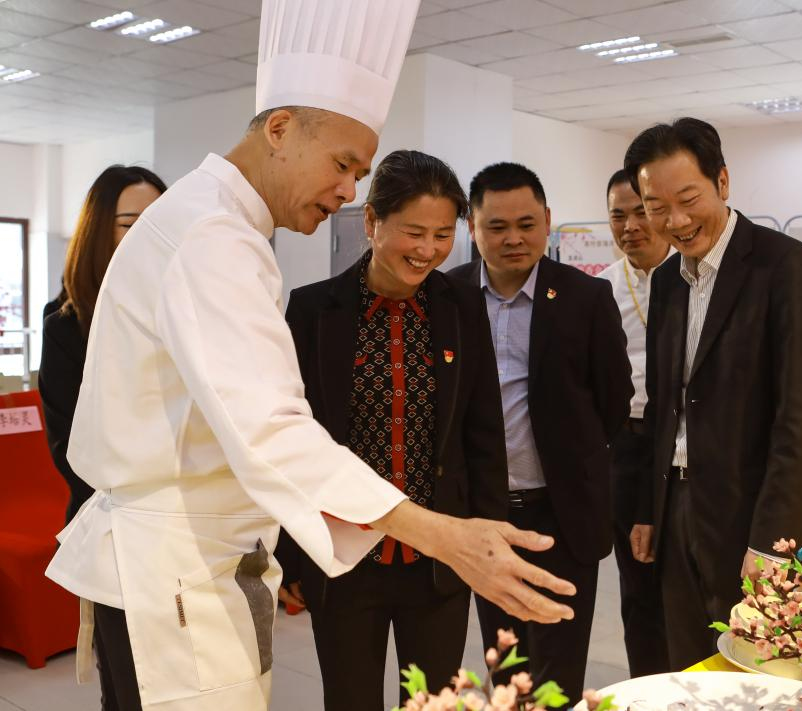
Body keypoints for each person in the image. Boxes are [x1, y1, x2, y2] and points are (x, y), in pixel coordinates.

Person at [44, 3, 574, 709]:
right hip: (176, 572)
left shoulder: (218, 223)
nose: (349, 190)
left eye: (359, 172)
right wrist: (443, 534)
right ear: (280, 129)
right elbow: (274, 430)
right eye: (342, 164)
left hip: (194, 561)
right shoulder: (212, 236)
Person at [274, 150, 507, 709]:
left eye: (443, 235)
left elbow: (483, 434)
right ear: (373, 222)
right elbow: (288, 438)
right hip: (344, 560)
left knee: (433, 701)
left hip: (437, 558)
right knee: (349, 699)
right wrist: (291, 554)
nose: (428, 249)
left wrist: (490, 541)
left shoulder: (461, 307)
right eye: (414, 232)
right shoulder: (313, 311)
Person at [624, 117, 802, 669]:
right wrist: (649, 508)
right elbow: (662, 407)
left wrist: (774, 542)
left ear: (722, 181)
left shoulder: (784, 265)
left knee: (766, 675)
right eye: (656, 207)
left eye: (688, 199)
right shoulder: (666, 282)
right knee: (690, 667)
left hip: (755, 514)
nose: (676, 220)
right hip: (678, 511)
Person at [449, 162, 632, 697]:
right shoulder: (448, 296)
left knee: (558, 668)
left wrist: (573, 455)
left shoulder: (585, 297)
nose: (514, 238)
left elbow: (613, 400)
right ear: (472, 227)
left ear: (547, 221)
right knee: (504, 656)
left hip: (562, 512)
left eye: (526, 224)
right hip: (486, 514)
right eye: (497, 226)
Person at [40, 165, 166, 526]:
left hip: (187, 510)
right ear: (98, 230)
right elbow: (70, 447)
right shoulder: (65, 326)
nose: (147, 234)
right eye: (129, 224)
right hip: (110, 516)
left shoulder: (183, 309)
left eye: (158, 221)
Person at [595, 168, 671, 678]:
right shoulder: (601, 288)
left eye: (641, 212)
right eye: (618, 215)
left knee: (685, 580)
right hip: (627, 444)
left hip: (683, 444)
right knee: (637, 582)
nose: (630, 226)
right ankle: (646, 684)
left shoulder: (691, 278)